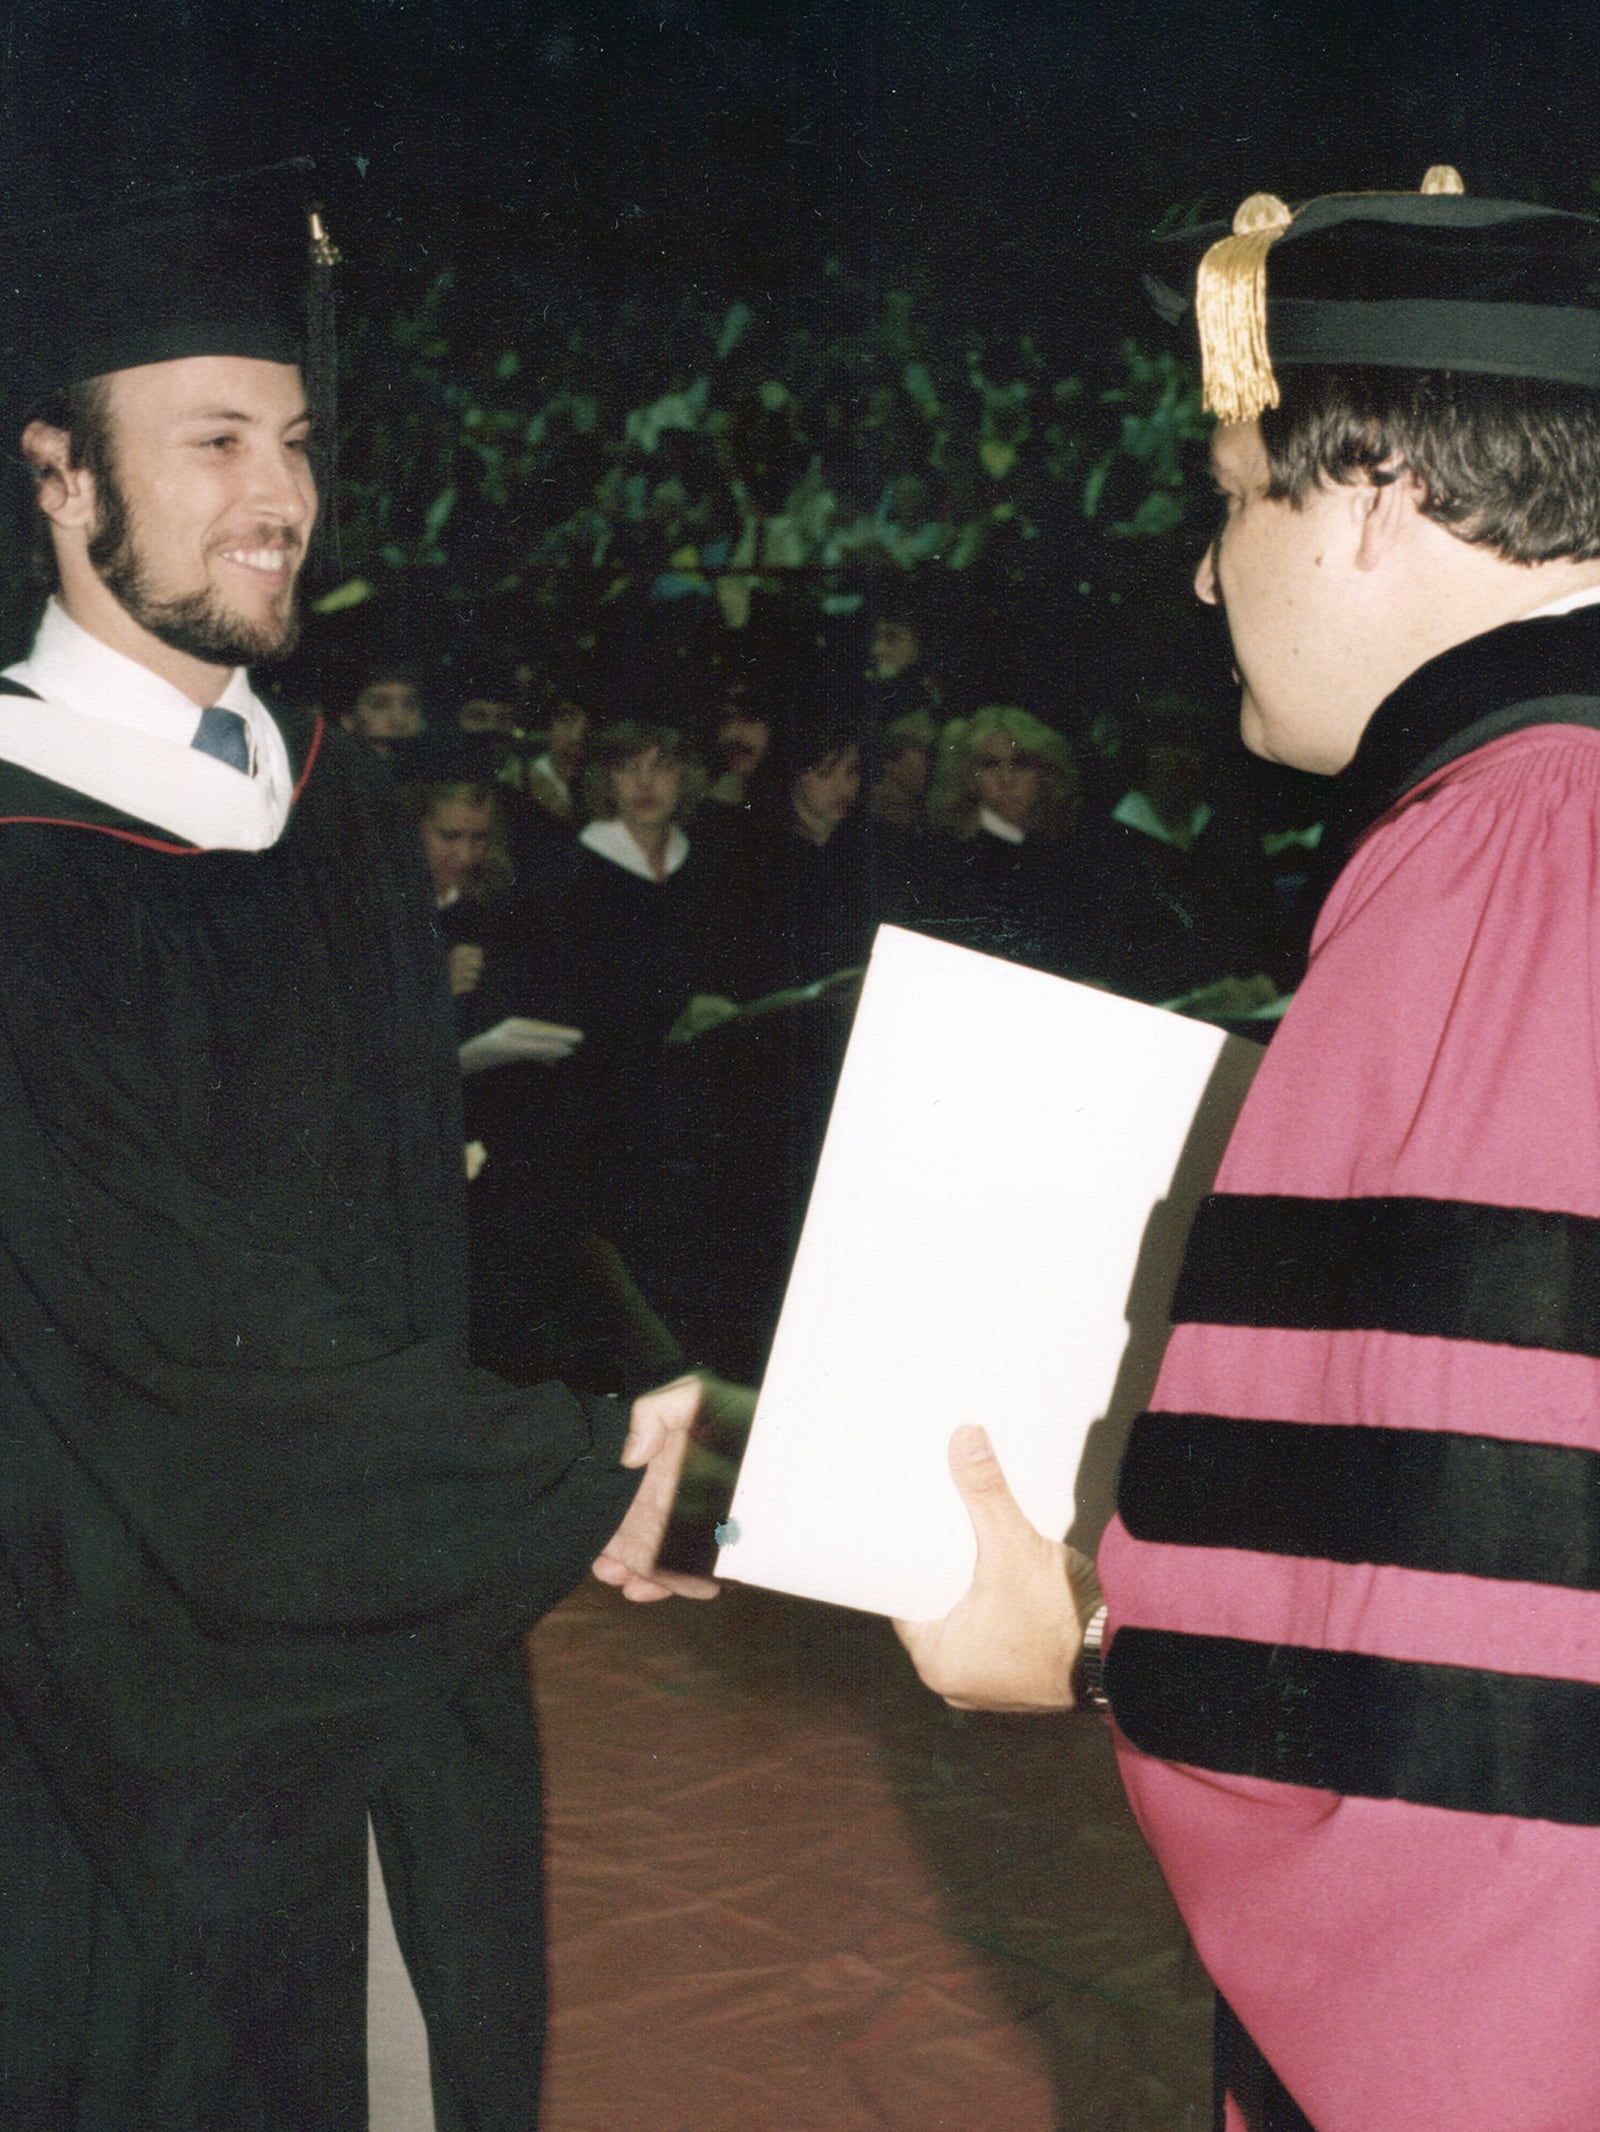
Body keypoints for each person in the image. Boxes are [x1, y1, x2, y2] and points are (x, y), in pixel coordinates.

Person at [0, 168, 710, 2131]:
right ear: (59, 476)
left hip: (398, 1613)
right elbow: (152, 1339)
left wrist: (586, 1406)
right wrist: (565, 1475)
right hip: (117, 1677)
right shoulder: (23, 863)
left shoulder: (331, 796)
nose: (278, 497)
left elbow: (415, 1230)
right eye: (213, 440)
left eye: (296, 441)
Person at [897, 168, 1600, 2132]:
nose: (1203, 574)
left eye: (1230, 492)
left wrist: (1088, 1653)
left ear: (1367, 493)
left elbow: (1492, 1621)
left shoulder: (1519, 847)